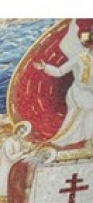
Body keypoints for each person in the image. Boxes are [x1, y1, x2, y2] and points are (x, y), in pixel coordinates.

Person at [34, 20, 93, 149]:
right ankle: (89, 140)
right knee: (89, 111)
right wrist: (45, 67)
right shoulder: (80, 58)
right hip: (80, 92)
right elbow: (60, 71)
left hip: (90, 93)